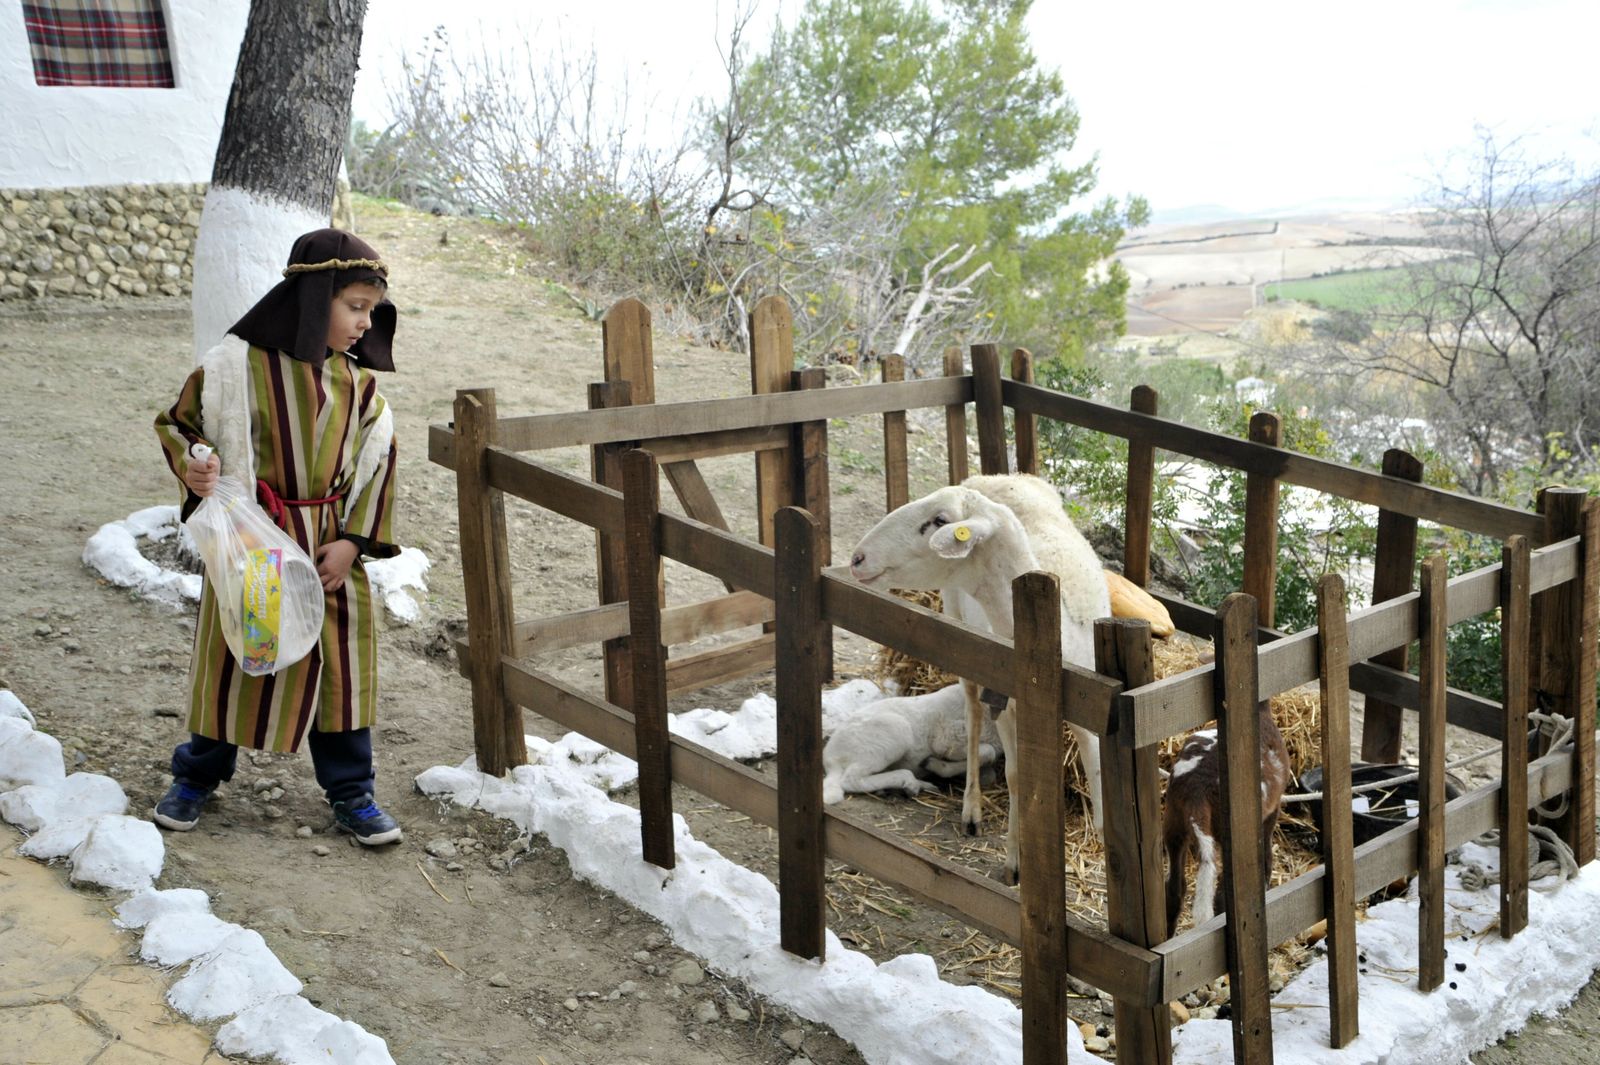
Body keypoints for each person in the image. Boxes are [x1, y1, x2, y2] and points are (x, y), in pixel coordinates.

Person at [151, 228, 404, 845]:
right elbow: (182, 426)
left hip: (328, 548)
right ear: (315, 299)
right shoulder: (233, 367)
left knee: (339, 665)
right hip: (256, 541)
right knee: (240, 653)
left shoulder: (362, 389)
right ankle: (197, 776)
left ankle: (352, 792)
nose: (366, 324)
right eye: (355, 307)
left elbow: (378, 464)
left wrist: (352, 541)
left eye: (372, 310)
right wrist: (198, 462)